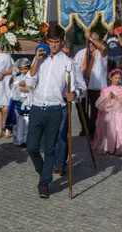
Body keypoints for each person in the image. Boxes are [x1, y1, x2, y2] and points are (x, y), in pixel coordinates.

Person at [26, 24, 81, 199]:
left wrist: (75, 93)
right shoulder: (40, 59)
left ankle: (44, 184)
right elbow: (29, 83)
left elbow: (81, 86)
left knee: (50, 148)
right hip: (36, 107)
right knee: (32, 146)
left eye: (56, 42)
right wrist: (36, 60)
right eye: (51, 42)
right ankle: (43, 172)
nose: (53, 45)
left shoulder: (68, 63)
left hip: (55, 109)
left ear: (62, 41)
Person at [54, 41, 87, 176]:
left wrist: (75, 93)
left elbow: (82, 86)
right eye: (64, 53)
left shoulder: (74, 65)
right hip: (49, 103)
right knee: (52, 134)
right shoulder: (51, 63)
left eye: (69, 53)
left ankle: (61, 162)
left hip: (64, 103)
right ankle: (53, 160)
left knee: (62, 133)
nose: (67, 56)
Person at [92, 69, 122, 156]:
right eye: (115, 78)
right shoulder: (105, 90)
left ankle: (120, 147)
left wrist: (116, 98)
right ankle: (108, 147)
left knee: (120, 130)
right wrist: (108, 98)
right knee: (109, 130)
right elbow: (101, 104)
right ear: (111, 78)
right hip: (110, 113)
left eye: (119, 78)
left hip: (120, 113)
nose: (117, 80)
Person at [74, 31, 108, 139]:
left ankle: (92, 129)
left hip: (96, 85)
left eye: (93, 41)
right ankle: (85, 127)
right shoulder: (80, 53)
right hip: (83, 84)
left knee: (94, 109)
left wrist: (92, 38)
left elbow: (103, 48)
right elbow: (75, 67)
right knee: (80, 107)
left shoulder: (100, 53)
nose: (91, 44)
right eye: (89, 41)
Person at [4, 58, 33, 147]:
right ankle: (18, 139)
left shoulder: (32, 76)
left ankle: (26, 139)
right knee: (18, 122)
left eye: (26, 69)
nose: (23, 71)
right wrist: (19, 86)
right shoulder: (16, 77)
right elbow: (13, 87)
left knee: (27, 122)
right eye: (21, 69)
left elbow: (33, 86)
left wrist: (27, 89)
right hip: (19, 101)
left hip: (28, 101)